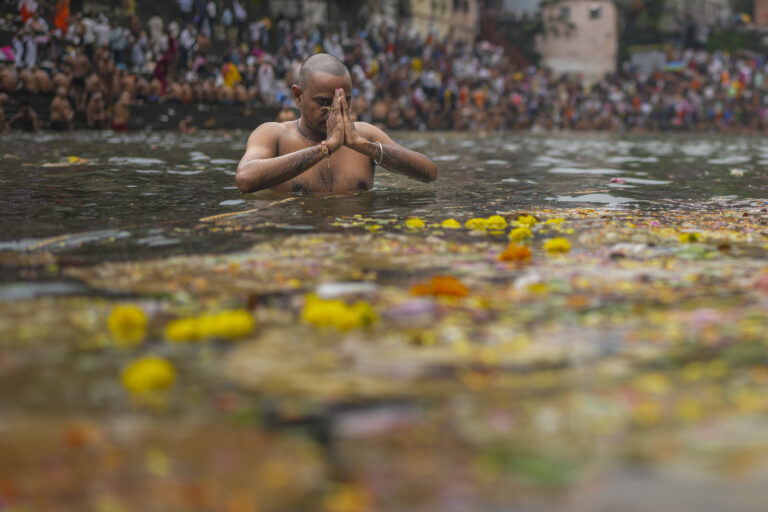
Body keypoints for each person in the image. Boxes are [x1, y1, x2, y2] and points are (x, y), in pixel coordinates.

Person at [236, 53, 437, 195]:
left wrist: (363, 146)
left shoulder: (364, 135)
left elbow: (429, 173)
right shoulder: (273, 134)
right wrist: (326, 147)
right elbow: (245, 179)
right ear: (298, 96)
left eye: (343, 101)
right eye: (323, 102)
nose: (334, 109)